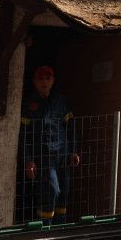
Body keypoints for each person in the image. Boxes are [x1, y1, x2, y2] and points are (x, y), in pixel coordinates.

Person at [20, 64, 79, 224]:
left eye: (48, 78)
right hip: (43, 156)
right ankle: (45, 230)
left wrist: (73, 151)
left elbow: (71, 127)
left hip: (63, 155)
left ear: (53, 80)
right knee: (52, 190)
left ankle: (61, 229)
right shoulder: (28, 104)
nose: (44, 82)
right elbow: (24, 136)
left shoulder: (60, 101)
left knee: (64, 193)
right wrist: (27, 160)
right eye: (40, 79)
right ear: (34, 82)